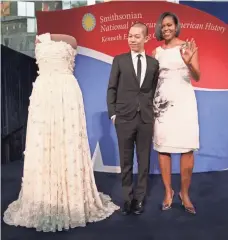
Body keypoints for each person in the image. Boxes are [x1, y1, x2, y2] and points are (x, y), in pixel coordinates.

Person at [3, 33, 119, 232]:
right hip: (44, 94)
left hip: (67, 94)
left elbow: (73, 42)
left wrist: (50, 36)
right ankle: (44, 198)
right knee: (43, 143)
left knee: (68, 141)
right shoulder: (39, 41)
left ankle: (70, 197)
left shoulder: (70, 40)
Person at [107, 23, 159, 215]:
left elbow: (151, 91)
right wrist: (113, 113)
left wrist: (150, 110)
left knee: (144, 161)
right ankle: (127, 199)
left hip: (145, 118)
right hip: (124, 118)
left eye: (137, 36)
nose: (132, 39)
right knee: (126, 161)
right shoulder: (119, 60)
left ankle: (139, 199)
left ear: (146, 38)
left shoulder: (154, 64)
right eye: (130, 36)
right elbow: (111, 88)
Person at [152, 12, 200, 215]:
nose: (166, 28)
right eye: (163, 26)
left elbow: (197, 76)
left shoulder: (187, 47)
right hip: (162, 104)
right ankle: (168, 192)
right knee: (164, 148)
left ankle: (185, 194)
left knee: (186, 148)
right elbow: (152, 80)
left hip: (184, 101)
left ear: (176, 25)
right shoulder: (156, 51)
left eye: (170, 24)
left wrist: (188, 61)